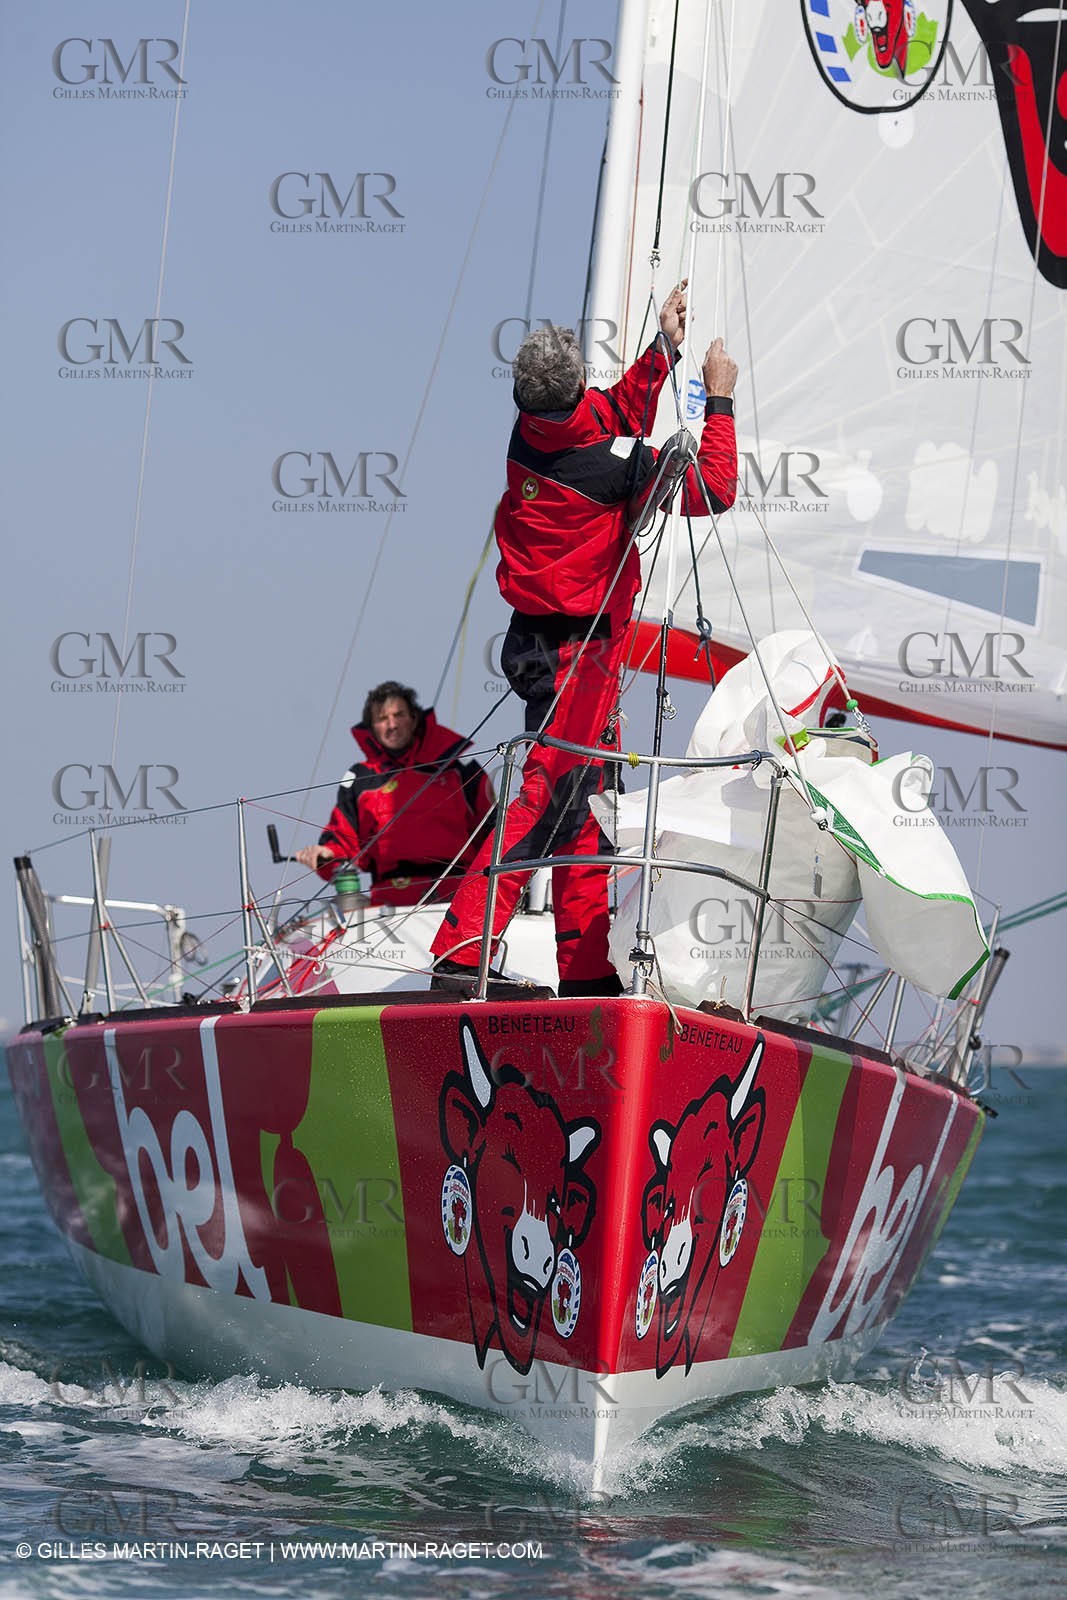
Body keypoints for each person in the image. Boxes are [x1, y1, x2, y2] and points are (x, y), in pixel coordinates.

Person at [431, 281, 739, 995]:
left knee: (588, 808)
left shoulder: (530, 430)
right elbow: (715, 488)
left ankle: (585, 970)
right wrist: (717, 399)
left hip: (540, 642)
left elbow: (612, 410)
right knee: (545, 793)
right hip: (578, 654)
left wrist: (663, 348)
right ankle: (462, 946)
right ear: (572, 392)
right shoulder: (608, 467)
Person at [296, 681, 494, 907]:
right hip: (391, 902)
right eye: (382, 719)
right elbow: (343, 840)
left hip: (458, 897)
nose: (391, 725)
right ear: (371, 728)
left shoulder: (461, 771)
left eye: (398, 715)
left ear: (414, 718)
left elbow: (495, 832)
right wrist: (326, 853)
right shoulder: (360, 780)